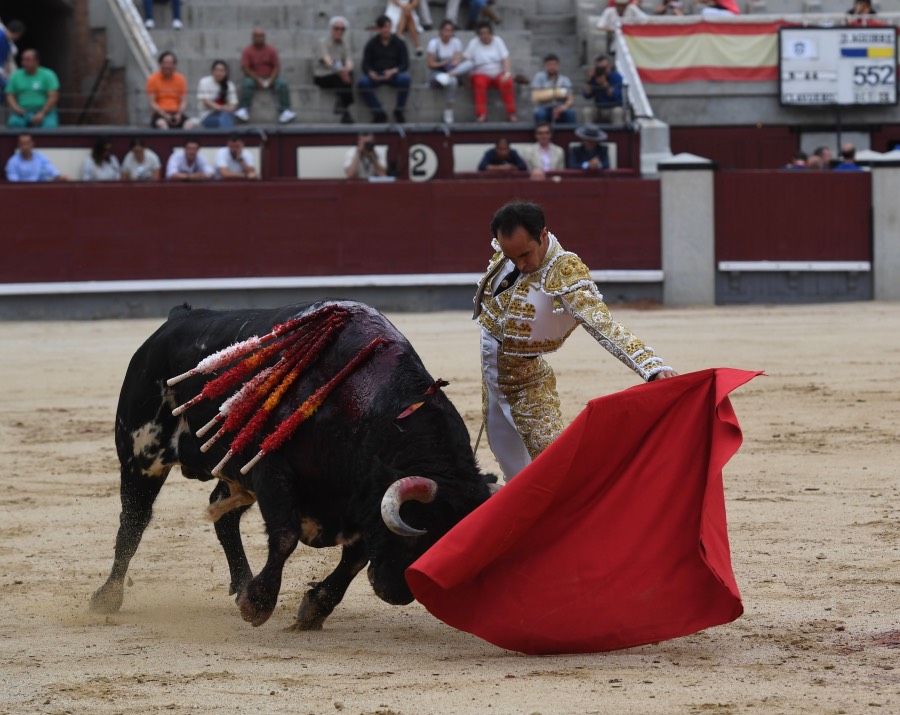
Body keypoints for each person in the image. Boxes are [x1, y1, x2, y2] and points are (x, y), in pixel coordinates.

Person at [473, 200, 676, 479]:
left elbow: (601, 323)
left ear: (542, 235)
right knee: (512, 469)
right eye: (511, 257)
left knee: (555, 469)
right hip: (493, 376)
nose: (519, 265)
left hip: (526, 382)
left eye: (525, 255)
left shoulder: (564, 273)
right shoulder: (512, 255)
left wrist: (650, 366)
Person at [235, 27, 296, 124]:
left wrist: (271, 79)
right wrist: (258, 79)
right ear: (253, 37)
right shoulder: (248, 50)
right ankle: (244, 109)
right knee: (246, 83)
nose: (259, 38)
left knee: (282, 83)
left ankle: (285, 111)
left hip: (270, 77)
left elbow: (276, 66)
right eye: (257, 36)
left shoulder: (271, 50)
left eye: (262, 36)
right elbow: (246, 68)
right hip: (254, 78)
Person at [358, 15, 412, 124]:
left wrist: (394, 71)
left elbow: (405, 64)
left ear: (391, 27)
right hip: (376, 75)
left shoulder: (399, 43)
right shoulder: (372, 43)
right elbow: (365, 64)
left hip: (393, 75)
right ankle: (379, 113)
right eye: (383, 27)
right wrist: (370, 72)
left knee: (405, 79)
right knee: (362, 82)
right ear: (379, 29)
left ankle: (399, 110)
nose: (386, 30)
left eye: (388, 27)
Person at [463, 21, 517, 123]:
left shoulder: (498, 41)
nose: (484, 36)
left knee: (507, 81)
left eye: (487, 33)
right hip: (480, 72)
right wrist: (467, 77)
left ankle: (511, 113)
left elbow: (505, 58)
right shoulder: (474, 43)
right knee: (479, 83)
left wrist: (507, 73)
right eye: (482, 33)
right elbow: (467, 59)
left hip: (498, 72)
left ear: (491, 33)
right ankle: (482, 114)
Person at [426, 19, 471, 124]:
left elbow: (457, 60)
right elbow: (430, 64)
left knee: (469, 64)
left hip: (451, 70)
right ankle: (449, 108)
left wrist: (453, 64)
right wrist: (443, 63)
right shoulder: (434, 43)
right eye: (445, 30)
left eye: (450, 31)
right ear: (441, 31)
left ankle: (449, 108)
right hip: (438, 72)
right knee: (452, 80)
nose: (447, 33)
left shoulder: (456, 42)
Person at [314, 16, 355, 124]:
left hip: (339, 73)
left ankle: (342, 105)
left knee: (350, 74)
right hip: (322, 75)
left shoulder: (345, 43)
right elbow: (327, 62)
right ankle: (345, 111)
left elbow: (349, 60)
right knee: (339, 78)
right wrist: (342, 71)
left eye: (342, 29)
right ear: (331, 29)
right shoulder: (322, 42)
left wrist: (347, 70)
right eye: (336, 28)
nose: (339, 31)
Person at [5, 49, 59, 129]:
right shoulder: (16, 76)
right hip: (22, 112)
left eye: (28, 60)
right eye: (23, 60)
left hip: (46, 112)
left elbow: (53, 96)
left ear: (36, 61)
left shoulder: (49, 75)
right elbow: (10, 95)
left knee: (49, 128)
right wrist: (16, 108)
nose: (24, 63)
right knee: (14, 124)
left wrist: (42, 113)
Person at [147, 51, 197, 129]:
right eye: (165, 63)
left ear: (174, 65)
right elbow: (152, 103)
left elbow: (184, 101)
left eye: (170, 63)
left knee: (190, 124)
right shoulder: (152, 79)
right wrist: (165, 115)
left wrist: (179, 114)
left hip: (176, 112)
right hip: (159, 113)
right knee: (162, 125)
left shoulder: (180, 79)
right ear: (160, 64)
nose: (168, 66)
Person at [530, 53, 575, 126]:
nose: (552, 67)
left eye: (554, 64)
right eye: (549, 64)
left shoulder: (565, 79)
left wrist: (564, 107)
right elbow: (536, 96)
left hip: (560, 107)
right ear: (545, 66)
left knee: (570, 113)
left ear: (558, 66)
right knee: (540, 114)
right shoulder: (539, 77)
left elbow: (571, 99)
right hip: (544, 107)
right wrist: (560, 92)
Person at [582, 54, 625, 125]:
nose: (602, 70)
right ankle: (589, 133)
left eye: (604, 68)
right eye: (599, 68)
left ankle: (618, 135)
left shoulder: (616, 77)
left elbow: (618, 97)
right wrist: (589, 80)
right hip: (599, 108)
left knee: (618, 111)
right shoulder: (594, 77)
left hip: (612, 108)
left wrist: (605, 85)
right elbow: (586, 95)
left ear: (609, 66)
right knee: (587, 111)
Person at [197, 60, 238, 129]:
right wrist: (222, 108)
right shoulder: (204, 82)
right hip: (207, 115)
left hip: (225, 114)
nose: (219, 73)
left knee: (225, 117)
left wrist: (229, 108)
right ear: (212, 71)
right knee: (223, 119)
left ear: (226, 72)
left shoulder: (230, 85)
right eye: (217, 70)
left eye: (222, 71)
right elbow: (206, 101)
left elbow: (233, 104)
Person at [0, 20, 25, 102]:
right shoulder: (1, 37)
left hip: (2, 71)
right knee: (9, 86)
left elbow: (5, 61)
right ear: (17, 34)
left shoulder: (8, 43)